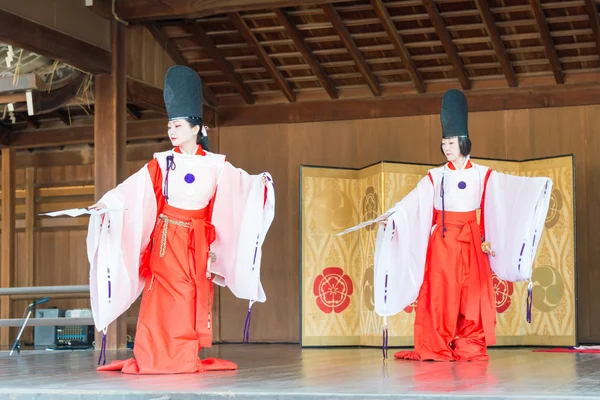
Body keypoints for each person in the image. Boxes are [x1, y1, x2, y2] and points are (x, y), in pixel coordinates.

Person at [337, 89, 552, 361]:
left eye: (451, 142)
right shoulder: (435, 176)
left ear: (463, 142)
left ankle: (470, 345)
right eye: (444, 143)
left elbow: (509, 192)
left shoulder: (482, 174)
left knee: (472, 294)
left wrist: (537, 188)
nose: (447, 147)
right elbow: (412, 202)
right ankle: (436, 344)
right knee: (441, 294)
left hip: (473, 241)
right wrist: (393, 215)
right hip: (444, 241)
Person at [86, 65, 275, 374]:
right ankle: (154, 356)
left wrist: (261, 185)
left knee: (189, 297)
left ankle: (182, 357)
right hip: (166, 239)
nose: (171, 131)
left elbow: (241, 187)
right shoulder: (162, 163)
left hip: (197, 242)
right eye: (170, 125)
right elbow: (133, 190)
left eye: (177, 125)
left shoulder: (217, 165)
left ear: (196, 128)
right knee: (162, 296)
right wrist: (108, 204)